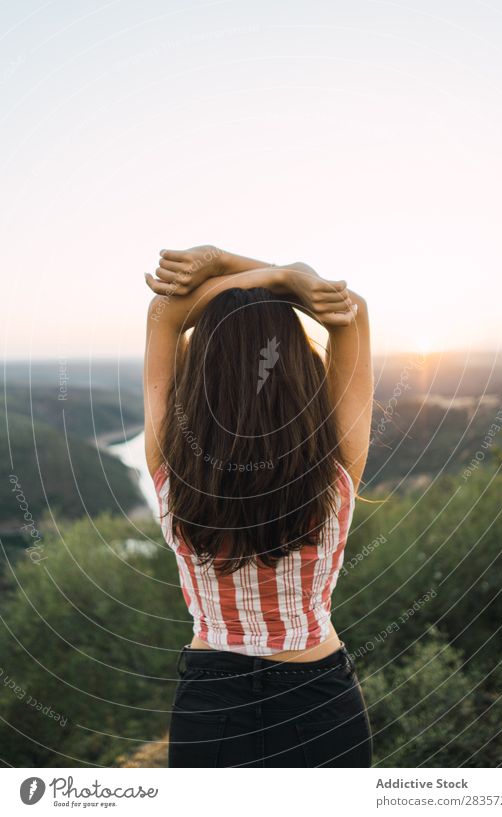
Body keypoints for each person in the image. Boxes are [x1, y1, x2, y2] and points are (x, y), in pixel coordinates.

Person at [143, 245, 373, 767]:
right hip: (320, 700)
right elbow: (347, 309)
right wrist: (287, 275)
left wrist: (262, 274)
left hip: (210, 704)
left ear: (201, 370)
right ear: (294, 362)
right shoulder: (334, 465)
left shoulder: (171, 466)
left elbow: (164, 314)